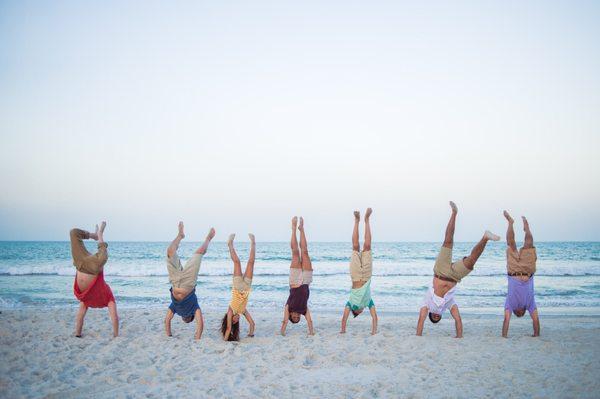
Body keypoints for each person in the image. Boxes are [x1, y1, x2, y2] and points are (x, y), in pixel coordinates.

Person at [416, 201, 500, 338]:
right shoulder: (449, 304)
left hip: (440, 272)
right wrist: (459, 337)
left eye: (434, 317)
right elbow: (458, 319)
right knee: (471, 262)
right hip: (455, 276)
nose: (437, 315)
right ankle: (485, 237)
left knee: (448, 241)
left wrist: (418, 336)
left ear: (431, 313)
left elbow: (420, 321)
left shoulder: (427, 303)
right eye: (438, 317)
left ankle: (454, 213)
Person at [164, 222, 215, 340]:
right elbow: (200, 323)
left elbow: (167, 320)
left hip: (175, 281)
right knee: (199, 253)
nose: (185, 319)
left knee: (169, 252)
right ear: (191, 316)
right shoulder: (194, 307)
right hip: (188, 284)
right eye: (188, 320)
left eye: (184, 320)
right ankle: (208, 238)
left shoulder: (175, 308)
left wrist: (169, 335)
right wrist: (197, 338)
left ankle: (180, 235)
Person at [70, 222, 118, 338]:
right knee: (74, 232)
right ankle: (97, 236)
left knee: (73, 233)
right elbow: (114, 316)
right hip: (85, 263)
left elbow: (80, 315)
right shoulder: (109, 297)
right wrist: (116, 335)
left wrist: (78, 333)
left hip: (82, 263)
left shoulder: (86, 299)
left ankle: (99, 235)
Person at [501, 211, 540, 338]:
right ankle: (526, 228)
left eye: (518, 314)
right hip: (527, 270)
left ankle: (511, 223)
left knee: (511, 244)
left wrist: (504, 336)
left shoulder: (510, 304)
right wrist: (536, 334)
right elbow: (535, 319)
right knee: (529, 244)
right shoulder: (529, 304)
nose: (518, 313)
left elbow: (506, 320)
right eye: (519, 314)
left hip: (514, 270)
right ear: (522, 312)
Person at [340, 208, 378, 335]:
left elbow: (344, 317)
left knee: (355, 248)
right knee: (367, 247)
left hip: (355, 275)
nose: (362, 312)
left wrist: (343, 330)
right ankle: (366, 220)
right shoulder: (368, 302)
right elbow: (374, 317)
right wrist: (373, 331)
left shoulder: (351, 304)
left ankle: (357, 221)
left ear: (356, 312)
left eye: (359, 313)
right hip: (366, 275)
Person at [281, 217, 315, 336]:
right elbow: (310, 321)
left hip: (294, 280)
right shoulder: (304, 310)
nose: (296, 316)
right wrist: (311, 332)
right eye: (298, 318)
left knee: (295, 252)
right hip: (306, 280)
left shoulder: (288, 307)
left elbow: (284, 321)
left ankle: (293, 229)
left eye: (293, 317)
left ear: (290, 315)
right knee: (305, 251)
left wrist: (282, 332)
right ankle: (301, 229)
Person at [221, 233, 256, 341]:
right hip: (246, 286)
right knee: (251, 263)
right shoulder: (243, 310)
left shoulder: (231, 310)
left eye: (233, 321)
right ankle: (253, 242)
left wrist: (225, 341)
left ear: (230, 318)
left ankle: (230, 244)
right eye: (236, 322)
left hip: (237, 285)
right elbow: (252, 323)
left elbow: (228, 328)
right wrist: (250, 334)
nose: (236, 320)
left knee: (237, 262)